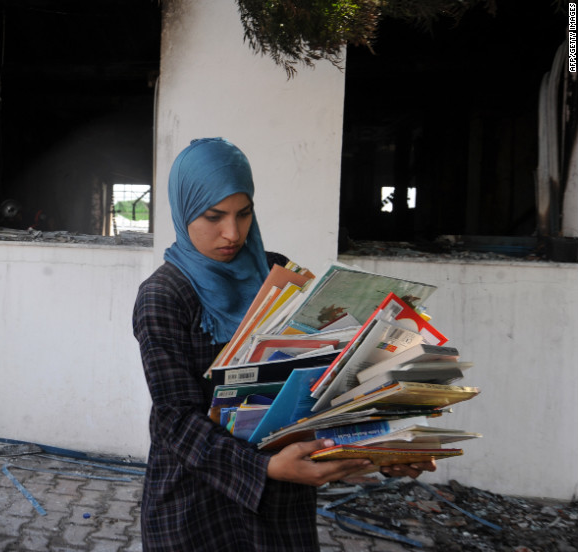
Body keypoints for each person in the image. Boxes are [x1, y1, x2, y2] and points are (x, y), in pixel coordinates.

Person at [132, 138, 434, 551]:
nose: (232, 233)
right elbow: (174, 420)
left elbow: (326, 381)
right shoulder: (164, 295)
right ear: (184, 210)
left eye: (244, 213)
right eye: (213, 216)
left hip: (280, 503)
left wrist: (382, 446)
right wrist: (265, 467)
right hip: (196, 500)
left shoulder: (280, 277)